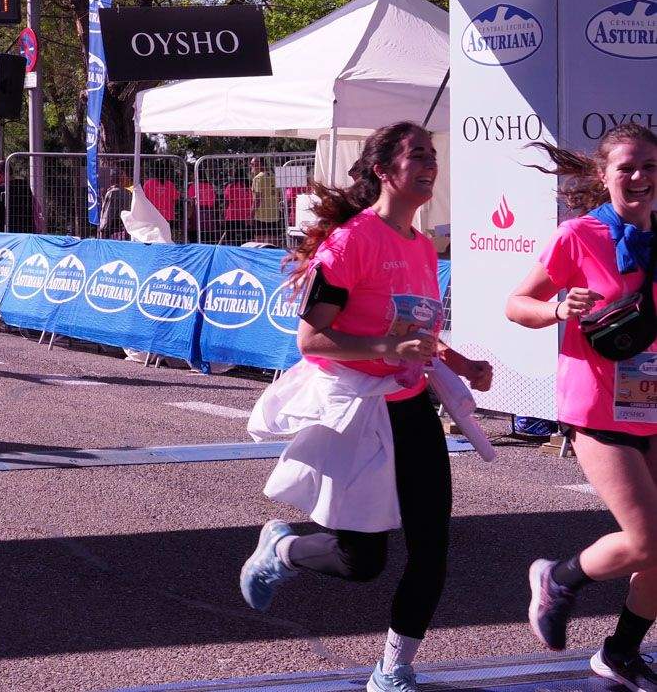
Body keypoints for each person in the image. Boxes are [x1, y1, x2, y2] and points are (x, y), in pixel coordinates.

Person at [239, 121, 492, 692]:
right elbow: (311, 339)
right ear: (384, 171)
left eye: (433, 155)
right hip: (357, 409)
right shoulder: (350, 242)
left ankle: (393, 670)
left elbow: (419, 329)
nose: (430, 165)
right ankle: (282, 548)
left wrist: (459, 361)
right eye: (417, 156)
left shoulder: (422, 245)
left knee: (432, 546)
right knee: (362, 561)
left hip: (410, 407)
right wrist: (383, 347)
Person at [507, 123, 657, 689]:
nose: (640, 177)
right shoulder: (578, 236)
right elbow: (517, 303)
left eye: (649, 166)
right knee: (644, 539)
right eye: (627, 167)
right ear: (603, 175)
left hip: (654, 405)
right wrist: (558, 310)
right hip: (596, 406)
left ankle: (620, 652)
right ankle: (558, 578)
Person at [98, 164, 133, 240]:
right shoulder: (128, 193)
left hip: (113, 232)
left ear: (111, 179)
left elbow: (108, 214)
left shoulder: (112, 193)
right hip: (126, 229)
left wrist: (102, 228)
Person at [251, 157, 282, 242]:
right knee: (273, 243)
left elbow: (258, 198)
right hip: (274, 215)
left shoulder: (258, 178)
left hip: (261, 216)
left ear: (260, 164)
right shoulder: (274, 177)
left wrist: (251, 214)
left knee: (259, 243)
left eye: (253, 164)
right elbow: (279, 196)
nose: (251, 166)